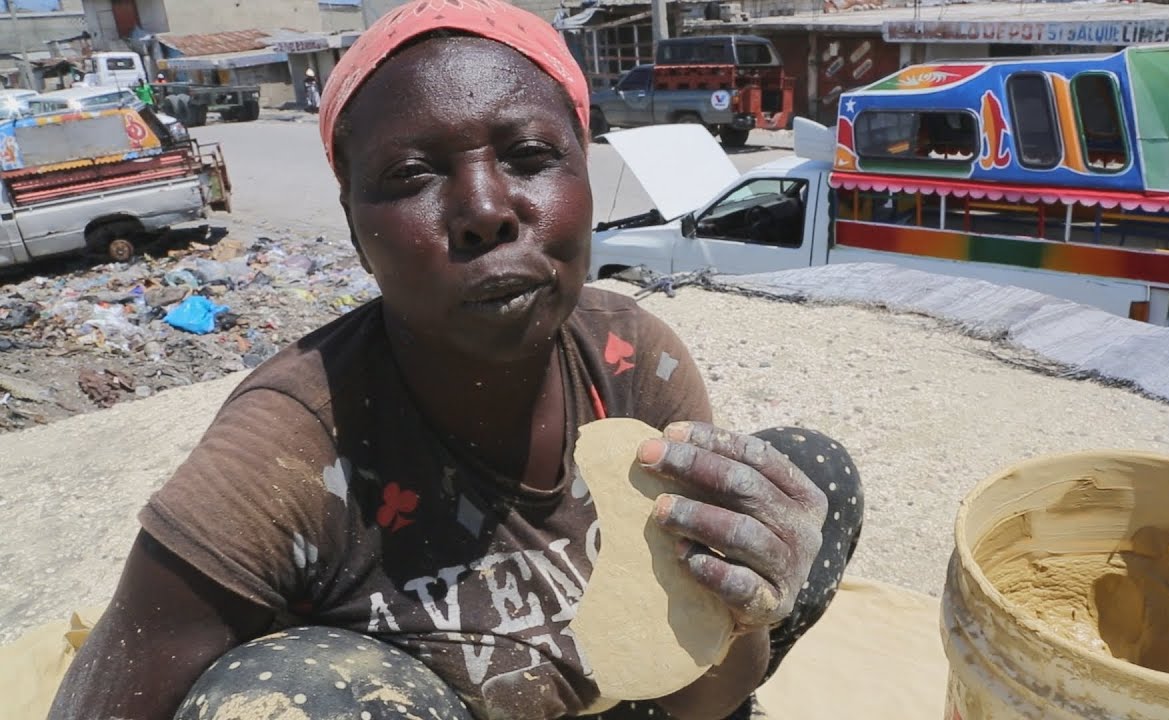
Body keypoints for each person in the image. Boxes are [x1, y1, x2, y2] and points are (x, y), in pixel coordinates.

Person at [47, 2, 864, 719]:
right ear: (355, 225)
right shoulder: (286, 453)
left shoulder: (631, 362)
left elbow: (701, 697)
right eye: (411, 174)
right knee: (288, 692)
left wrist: (748, 607)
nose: (482, 211)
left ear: (584, 177)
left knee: (801, 482)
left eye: (531, 156)